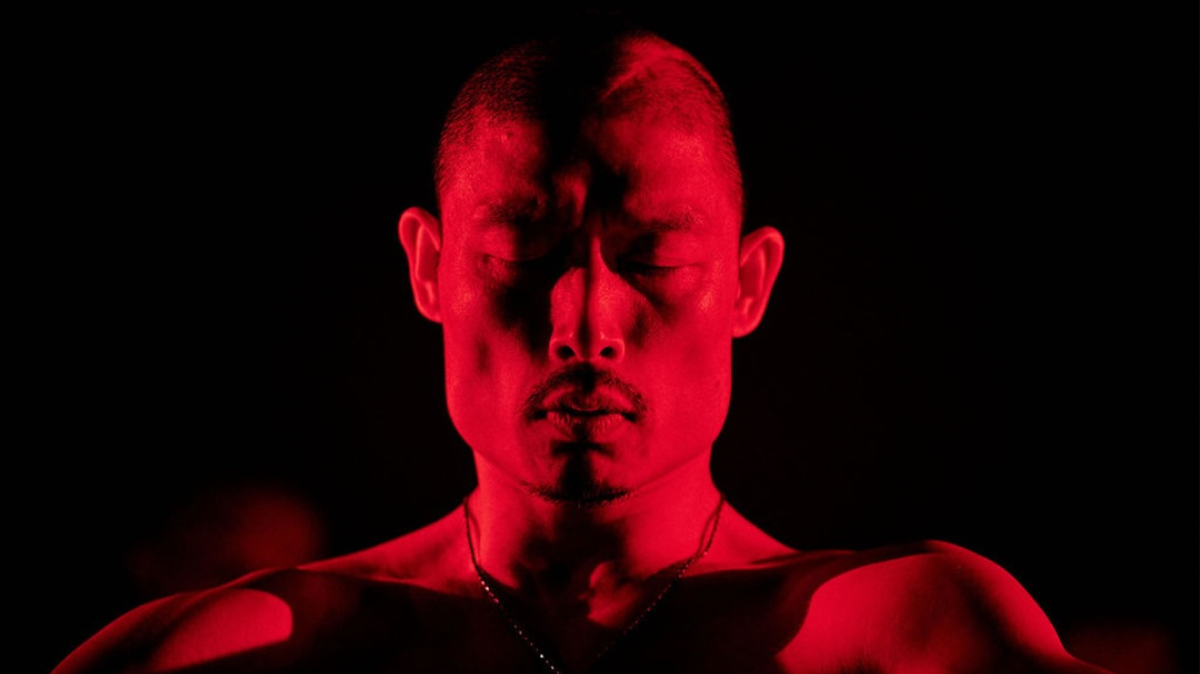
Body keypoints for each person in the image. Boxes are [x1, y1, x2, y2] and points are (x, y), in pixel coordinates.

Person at [53, 20, 1116, 674]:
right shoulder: (267, 646)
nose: (586, 321)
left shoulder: (897, 632)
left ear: (749, 282)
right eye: (521, 254)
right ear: (430, 267)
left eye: (654, 257)